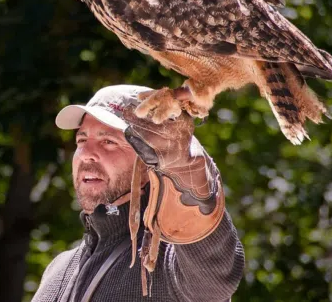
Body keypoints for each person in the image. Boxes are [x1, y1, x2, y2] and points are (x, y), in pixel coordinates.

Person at [32, 85, 244, 302]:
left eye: (108, 142)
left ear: (149, 162)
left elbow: (214, 279)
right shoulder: (57, 270)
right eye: (82, 140)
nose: (86, 154)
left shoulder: (170, 263)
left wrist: (188, 180)